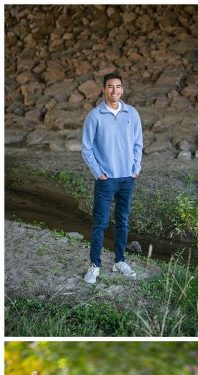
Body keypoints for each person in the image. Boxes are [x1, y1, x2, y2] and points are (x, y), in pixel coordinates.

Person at [81, 72, 143, 284]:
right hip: (106, 180)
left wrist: (136, 168)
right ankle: (94, 266)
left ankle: (119, 261)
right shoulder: (95, 116)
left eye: (118, 87)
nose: (114, 90)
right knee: (100, 223)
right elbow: (87, 148)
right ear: (103, 89)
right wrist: (99, 173)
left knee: (123, 222)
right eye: (110, 87)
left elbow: (138, 143)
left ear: (122, 90)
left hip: (127, 178)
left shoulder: (132, 114)